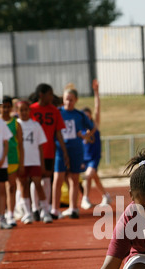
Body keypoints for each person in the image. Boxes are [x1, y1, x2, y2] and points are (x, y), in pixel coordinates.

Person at [51, 83, 95, 219]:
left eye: (71, 99)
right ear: (62, 99)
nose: (68, 102)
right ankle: (54, 209)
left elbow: (92, 128)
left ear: (76, 100)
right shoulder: (58, 113)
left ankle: (73, 208)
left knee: (74, 178)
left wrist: (84, 135)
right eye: (66, 99)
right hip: (60, 149)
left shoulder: (79, 115)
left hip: (76, 149)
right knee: (58, 178)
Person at [29, 83, 68, 220]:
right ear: (41, 95)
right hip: (33, 152)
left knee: (46, 180)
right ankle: (35, 208)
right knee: (35, 180)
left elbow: (58, 133)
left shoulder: (54, 110)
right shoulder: (30, 109)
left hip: (49, 151)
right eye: (50, 94)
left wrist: (64, 151)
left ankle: (45, 208)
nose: (52, 97)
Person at [17, 101, 52, 224]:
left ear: (30, 111)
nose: (24, 112)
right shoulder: (16, 125)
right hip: (21, 162)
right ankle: (28, 213)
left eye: (26, 109)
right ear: (17, 112)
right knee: (23, 185)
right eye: (21, 110)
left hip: (34, 160)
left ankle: (45, 211)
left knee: (38, 184)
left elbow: (40, 147)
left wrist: (42, 164)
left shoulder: (36, 125)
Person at [80, 79, 111, 210]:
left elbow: (97, 109)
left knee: (88, 176)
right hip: (84, 158)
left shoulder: (95, 126)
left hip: (94, 157)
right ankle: (106, 195)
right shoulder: (80, 129)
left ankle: (85, 198)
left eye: (88, 117)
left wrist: (96, 92)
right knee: (95, 179)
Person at [0, 96, 24, 227]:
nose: (5, 109)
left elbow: (20, 144)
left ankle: (10, 214)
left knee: (11, 187)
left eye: (8, 106)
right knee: (0, 188)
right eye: (3, 106)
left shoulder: (16, 124)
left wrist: (21, 163)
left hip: (13, 159)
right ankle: (1, 213)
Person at [0, 116, 13, 229]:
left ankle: (2, 217)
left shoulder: (1, 123)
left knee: (1, 189)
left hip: (1, 163)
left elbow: (6, 143)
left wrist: (2, 159)